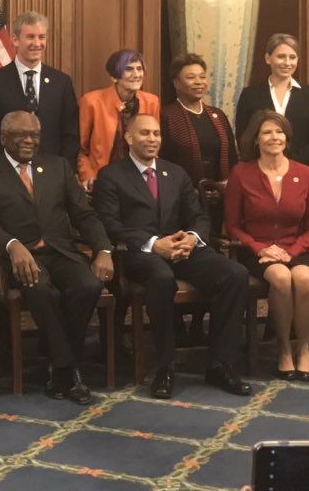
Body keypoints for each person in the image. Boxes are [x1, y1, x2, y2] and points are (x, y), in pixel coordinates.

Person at [93, 114, 251, 399]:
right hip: (139, 253)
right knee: (161, 278)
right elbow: (110, 224)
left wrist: (192, 238)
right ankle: (165, 366)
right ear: (129, 137)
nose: (152, 139)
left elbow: (199, 216)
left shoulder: (176, 173)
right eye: (145, 133)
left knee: (235, 274)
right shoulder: (111, 175)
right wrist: (154, 244)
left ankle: (220, 364)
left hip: (182, 248)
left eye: (156, 134)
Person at [0, 110, 113, 405]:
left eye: (34, 135)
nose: (29, 140)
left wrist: (103, 250)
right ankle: (69, 370)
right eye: (21, 134)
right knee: (41, 289)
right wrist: (12, 245)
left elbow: (84, 215)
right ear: (3, 138)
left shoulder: (58, 166)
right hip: (19, 259)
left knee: (88, 285)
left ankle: (59, 364)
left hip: (61, 252)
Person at [225, 110, 309, 381]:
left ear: (287, 137)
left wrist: (292, 252)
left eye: (279, 132)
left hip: (296, 248)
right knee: (280, 277)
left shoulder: (305, 173)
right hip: (256, 250)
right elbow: (232, 226)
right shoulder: (241, 174)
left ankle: (303, 348)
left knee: (303, 278)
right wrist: (259, 248)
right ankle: (283, 349)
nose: (274, 137)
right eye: (267, 132)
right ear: (256, 139)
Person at [0, 12, 79, 170]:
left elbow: (70, 135)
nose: (37, 43)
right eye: (30, 37)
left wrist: (64, 171)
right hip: (7, 172)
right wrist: (1, 171)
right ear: (15, 40)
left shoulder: (62, 82)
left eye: (42, 37)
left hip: (53, 172)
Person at [161, 52, 238, 228]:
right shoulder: (167, 116)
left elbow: (232, 157)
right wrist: (190, 190)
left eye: (202, 77)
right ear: (176, 83)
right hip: (181, 200)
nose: (198, 82)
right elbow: (163, 162)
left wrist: (223, 187)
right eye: (191, 77)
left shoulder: (217, 115)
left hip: (218, 199)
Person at [234, 33, 309, 172]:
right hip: (260, 171)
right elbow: (244, 138)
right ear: (268, 58)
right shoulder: (250, 95)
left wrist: (289, 165)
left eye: (292, 57)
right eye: (281, 56)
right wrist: (266, 164)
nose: (287, 63)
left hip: (302, 171)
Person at [78, 49, 161, 190]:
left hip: (141, 180)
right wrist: (88, 175)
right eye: (129, 69)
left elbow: (154, 145)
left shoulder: (151, 102)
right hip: (103, 180)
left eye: (139, 69)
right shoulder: (92, 102)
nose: (137, 74)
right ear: (114, 77)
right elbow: (81, 149)